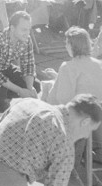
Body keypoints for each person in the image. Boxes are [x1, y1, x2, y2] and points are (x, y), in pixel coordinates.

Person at [0, 94, 102, 186]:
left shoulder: (28, 103)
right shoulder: (64, 143)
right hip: (7, 183)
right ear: (85, 122)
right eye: (90, 130)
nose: (87, 136)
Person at [42, 28, 102, 161]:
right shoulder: (99, 64)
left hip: (79, 117)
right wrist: (58, 78)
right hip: (97, 114)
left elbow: (62, 99)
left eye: (66, 43)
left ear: (71, 45)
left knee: (46, 95)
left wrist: (48, 92)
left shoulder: (68, 67)